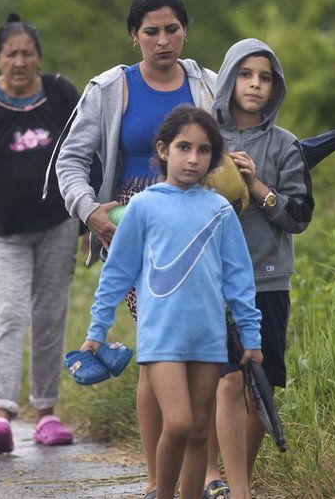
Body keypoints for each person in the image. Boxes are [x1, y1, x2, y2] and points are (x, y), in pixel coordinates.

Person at [50, 0, 217, 495]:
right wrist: (91, 212)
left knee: (203, 345)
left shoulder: (208, 84)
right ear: (134, 36)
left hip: (200, 227)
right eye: (151, 31)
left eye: (172, 29)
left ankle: (206, 473)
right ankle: (156, 478)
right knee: (158, 345)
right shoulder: (109, 89)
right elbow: (71, 161)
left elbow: (232, 144)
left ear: (185, 31)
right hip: (135, 228)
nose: (163, 41)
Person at [79, 106, 263, 499]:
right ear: (163, 150)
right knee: (178, 423)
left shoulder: (219, 211)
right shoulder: (144, 206)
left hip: (208, 339)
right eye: (184, 147)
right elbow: (117, 274)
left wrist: (251, 337)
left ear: (214, 158)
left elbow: (239, 280)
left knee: (199, 431)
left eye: (203, 151)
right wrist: (97, 330)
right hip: (161, 336)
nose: (193, 158)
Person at [0, 13, 80, 454]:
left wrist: (90, 217)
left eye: (27, 53)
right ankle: (0, 414)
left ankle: (47, 413)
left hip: (58, 226)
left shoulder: (61, 93)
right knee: (8, 315)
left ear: (39, 57)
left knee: (50, 316)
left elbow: (87, 152)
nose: (19, 61)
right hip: (1, 232)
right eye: (11, 54)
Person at [203, 39, 314, 499]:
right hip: (210, 280)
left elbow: (300, 216)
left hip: (266, 279)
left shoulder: (286, 145)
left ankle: (238, 483)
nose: (254, 84)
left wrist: (256, 184)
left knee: (257, 386)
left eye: (265, 77)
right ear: (229, 79)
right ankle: (214, 479)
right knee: (223, 380)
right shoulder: (203, 136)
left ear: (275, 87)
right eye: (246, 74)